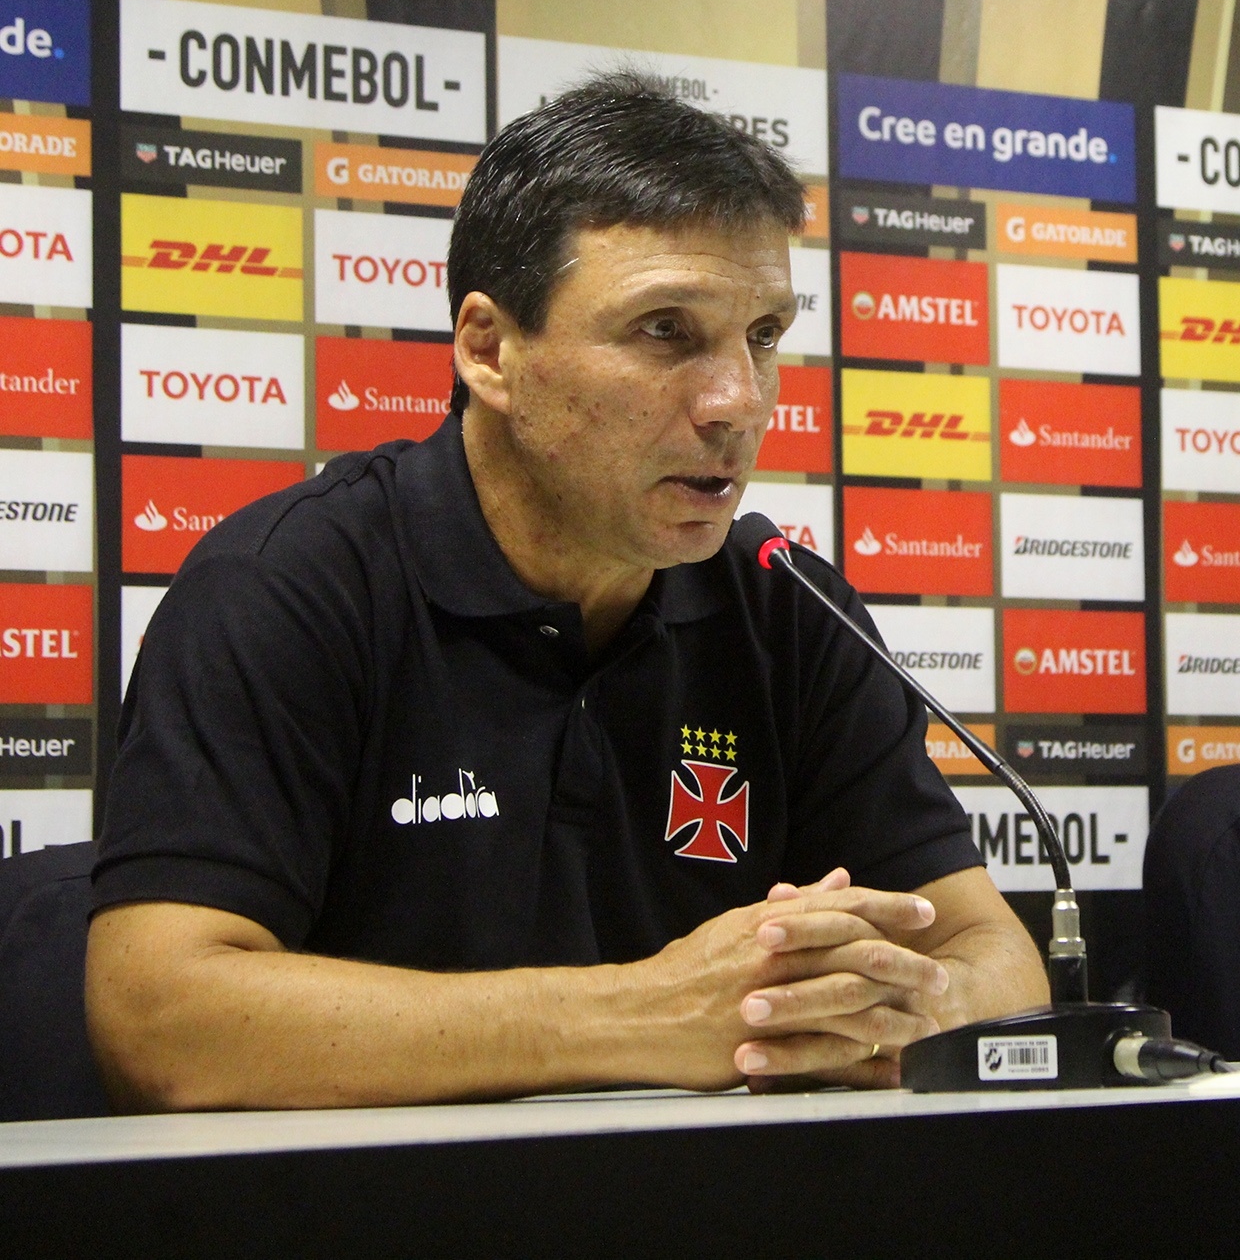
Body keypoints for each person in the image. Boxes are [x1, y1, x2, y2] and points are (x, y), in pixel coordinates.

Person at [86, 72, 1046, 1110]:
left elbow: (993, 959)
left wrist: (897, 1009)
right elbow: (158, 1018)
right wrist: (644, 1015)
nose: (738, 401)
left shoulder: (789, 613)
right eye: (664, 331)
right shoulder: (289, 587)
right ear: (490, 351)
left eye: (762, 335)